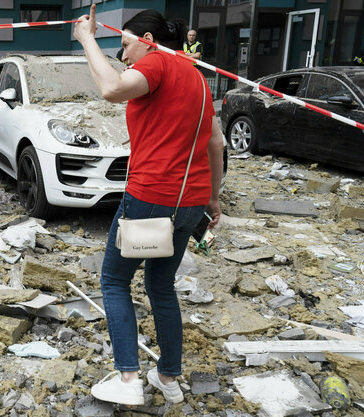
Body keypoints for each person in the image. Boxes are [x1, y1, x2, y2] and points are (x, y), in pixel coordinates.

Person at [73, 5, 225, 406]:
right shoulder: (196, 78)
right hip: (190, 202)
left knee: (114, 280)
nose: (122, 56)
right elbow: (216, 144)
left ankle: (127, 379)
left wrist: (87, 38)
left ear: (149, 42)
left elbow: (111, 89)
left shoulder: (157, 63)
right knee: (161, 287)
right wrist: (213, 198)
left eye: (124, 46)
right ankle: (169, 379)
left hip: (150, 196)